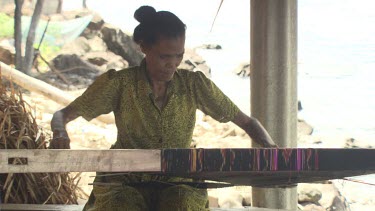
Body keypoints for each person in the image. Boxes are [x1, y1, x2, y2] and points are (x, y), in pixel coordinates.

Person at [50, 5, 277, 211]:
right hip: (126, 179)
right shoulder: (120, 84)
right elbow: (63, 115)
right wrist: (60, 133)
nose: (173, 64)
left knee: (181, 204)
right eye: (164, 56)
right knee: (120, 205)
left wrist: (273, 150)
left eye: (179, 55)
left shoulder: (193, 84)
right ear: (144, 47)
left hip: (179, 179)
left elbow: (247, 122)